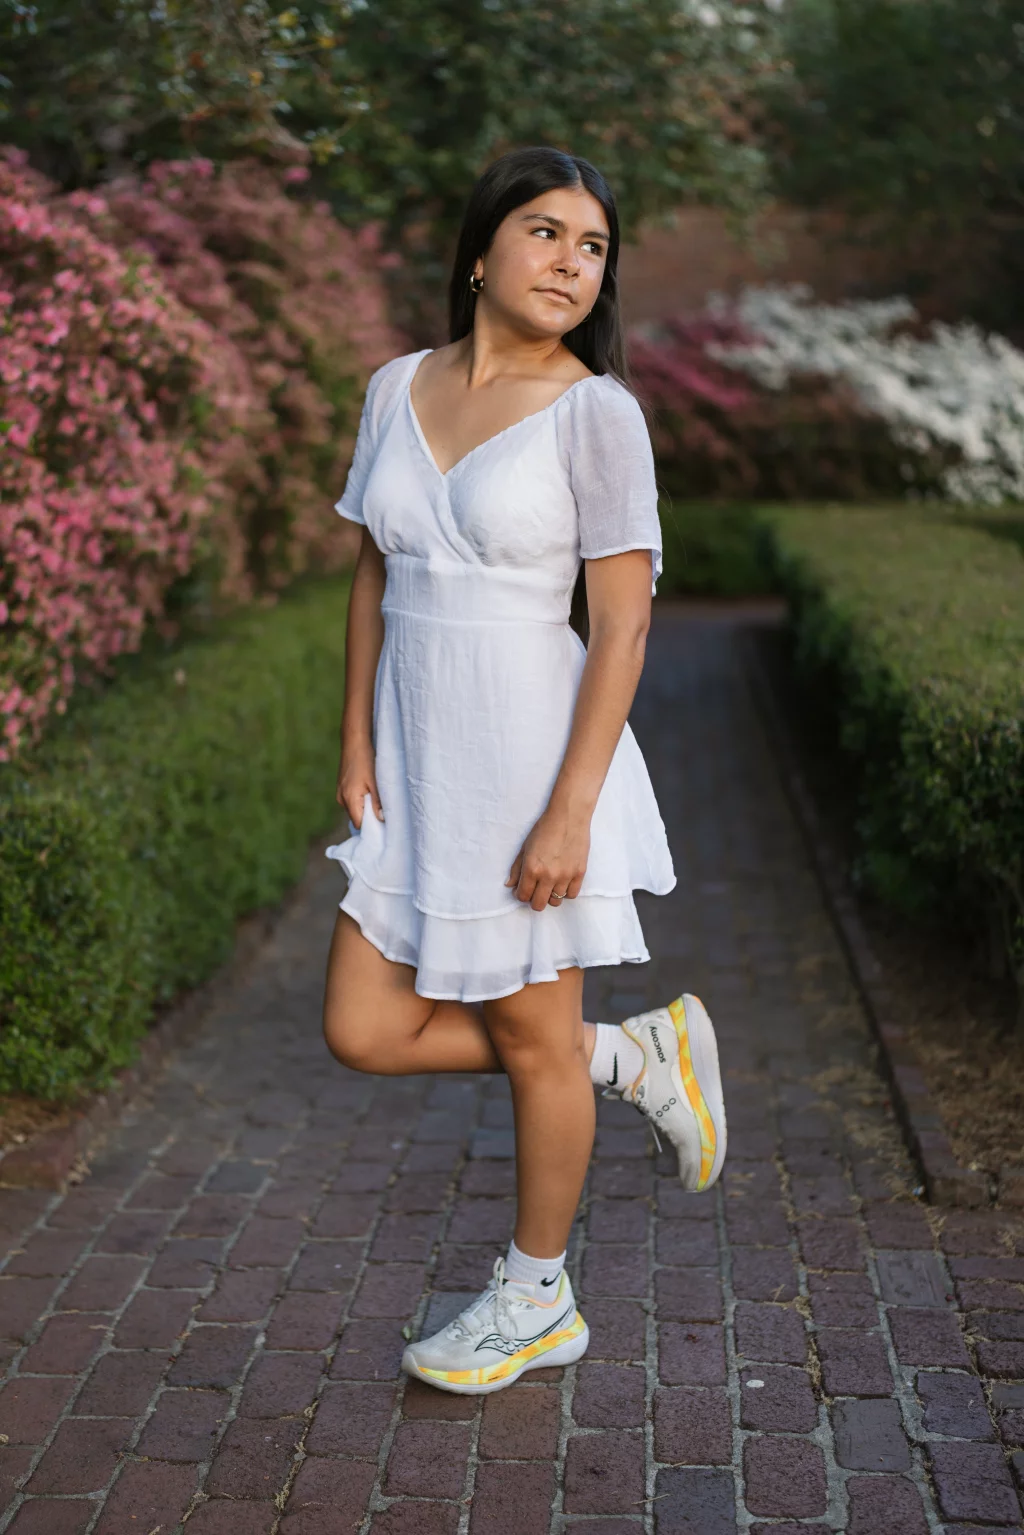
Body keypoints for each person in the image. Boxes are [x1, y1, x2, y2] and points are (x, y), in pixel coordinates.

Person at [322, 146, 727, 1396]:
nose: (569, 262)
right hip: (418, 757)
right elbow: (375, 572)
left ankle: (536, 1294)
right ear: (482, 249)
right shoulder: (396, 386)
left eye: (592, 246)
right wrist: (353, 739)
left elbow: (623, 625)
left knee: (532, 1042)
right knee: (363, 1027)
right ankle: (633, 1057)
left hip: (530, 756)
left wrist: (571, 808)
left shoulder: (596, 412)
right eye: (544, 232)